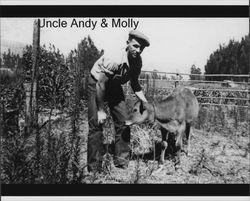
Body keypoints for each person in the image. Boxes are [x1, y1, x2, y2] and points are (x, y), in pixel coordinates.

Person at [87, 30, 150, 172]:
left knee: (124, 122)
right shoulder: (115, 59)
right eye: (135, 46)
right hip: (96, 84)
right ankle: (94, 168)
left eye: (141, 48)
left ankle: (121, 161)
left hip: (113, 85)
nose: (138, 50)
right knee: (96, 124)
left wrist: (145, 102)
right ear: (128, 43)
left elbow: (135, 84)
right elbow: (101, 84)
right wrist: (101, 110)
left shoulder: (137, 61)